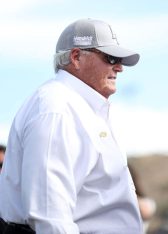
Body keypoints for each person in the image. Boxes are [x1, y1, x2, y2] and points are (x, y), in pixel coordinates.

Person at [0, 19, 143, 234]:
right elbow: (50, 214)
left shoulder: (72, 106)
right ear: (76, 57)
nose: (120, 67)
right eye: (111, 57)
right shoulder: (56, 109)